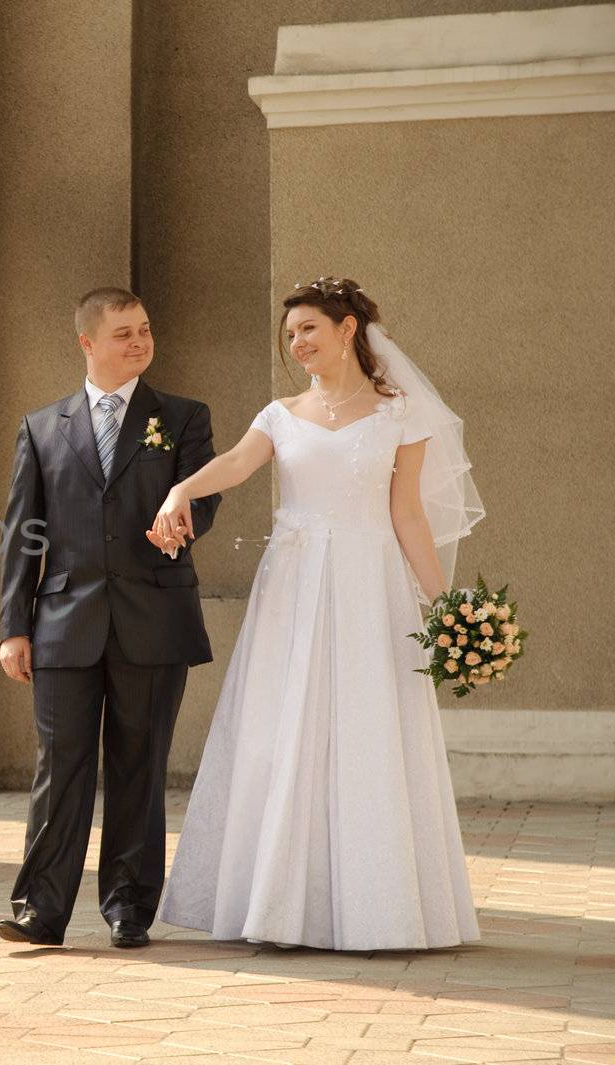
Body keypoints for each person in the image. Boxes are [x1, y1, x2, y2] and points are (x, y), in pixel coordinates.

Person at [153, 277, 484, 951]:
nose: (297, 343)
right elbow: (239, 464)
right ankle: (278, 902)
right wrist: (180, 488)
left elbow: (409, 513)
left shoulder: (400, 416)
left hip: (371, 581)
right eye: (291, 334)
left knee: (369, 730)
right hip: (294, 586)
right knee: (284, 727)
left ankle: (377, 906)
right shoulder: (280, 414)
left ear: (347, 330)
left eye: (308, 328)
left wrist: (445, 605)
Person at [0, 287, 221, 949]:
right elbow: (21, 533)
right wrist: (13, 626)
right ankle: (41, 909)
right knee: (59, 766)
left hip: (154, 617)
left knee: (138, 765)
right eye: (124, 333)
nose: (140, 342)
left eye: (145, 329)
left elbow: (202, 497)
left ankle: (129, 906)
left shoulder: (181, 416)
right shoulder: (41, 427)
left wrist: (183, 524)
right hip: (63, 623)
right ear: (87, 342)